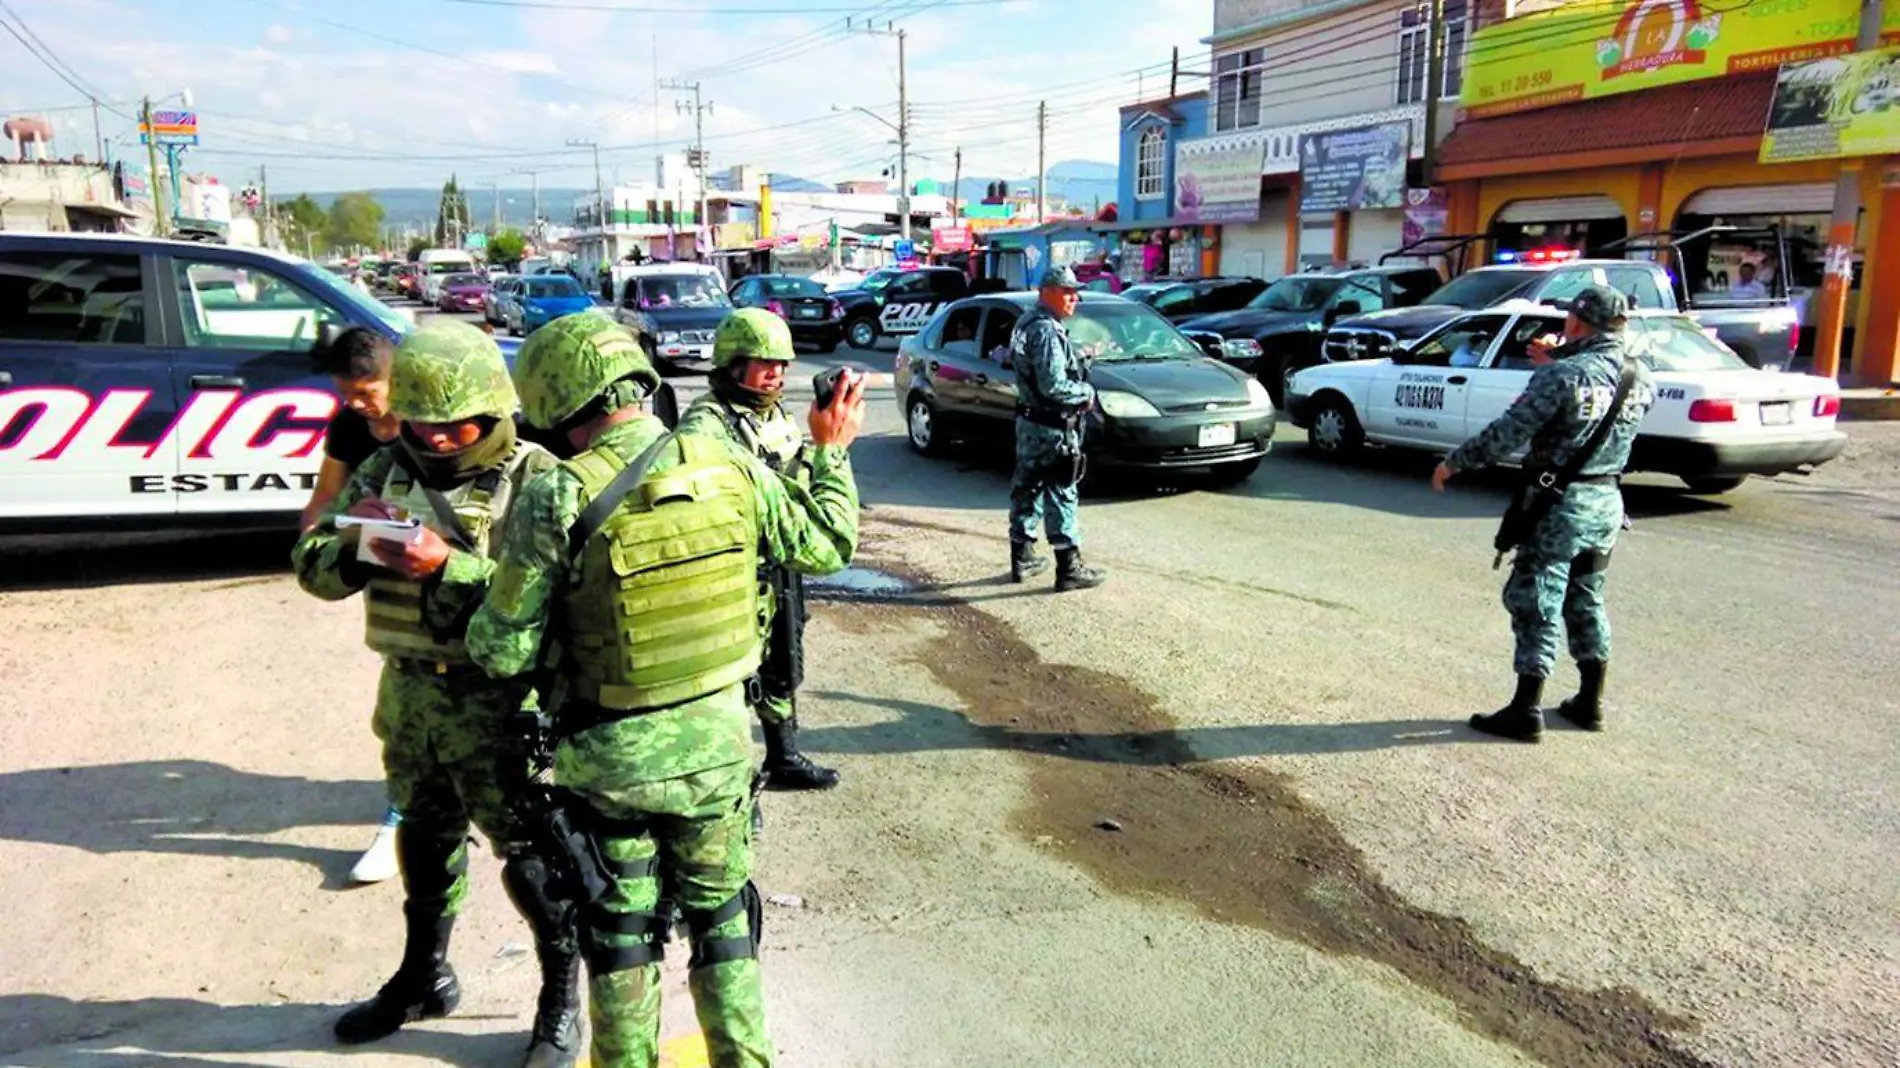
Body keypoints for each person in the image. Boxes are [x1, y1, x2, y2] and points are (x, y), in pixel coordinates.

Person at [465, 312, 864, 1068]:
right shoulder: (729, 463)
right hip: (716, 758)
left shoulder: (556, 494)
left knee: (620, 947)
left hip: (608, 769)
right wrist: (830, 451)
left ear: (553, 402)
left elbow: (502, 650)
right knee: (725, 928)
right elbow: (827, 544)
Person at [291, 320, 583, 1068]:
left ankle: (560, 1002)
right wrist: (360, 547)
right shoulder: (386, 467)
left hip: (503, 706)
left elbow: (560, 603)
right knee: (423, 838)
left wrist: (445, 565)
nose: (445, 440)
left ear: (494, 411)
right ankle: (425, 975)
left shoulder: (539, 477)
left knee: (534, 858)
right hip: (412, 697)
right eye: (429, 425)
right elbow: (313, 562)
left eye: (462, 426)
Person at [1431, 285, 1656, 742]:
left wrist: (1456, 462)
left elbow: (1509, 432)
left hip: (1558, 507)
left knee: (1537, 601)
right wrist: (1557, 365)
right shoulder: (1641, 376)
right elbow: (1596, 412)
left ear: (1576, 322)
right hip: (1606, 504)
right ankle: (1590, 702)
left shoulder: (1562, 377)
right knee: (1586, 597)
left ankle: (1525, 709)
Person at [675, 308, 840, 791]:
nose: (776, 373)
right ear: (732, 363)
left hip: (781, 562)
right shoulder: (708, 423)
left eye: (783, 364)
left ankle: (783, 755)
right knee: (730, 678)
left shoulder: (774, 413)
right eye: (764, 362)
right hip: (735, 572)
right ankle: (736, 785)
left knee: (783, 661)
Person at [301, 327, 406, 884]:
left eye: (367, 391)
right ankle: (402, 817)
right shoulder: (348, 425)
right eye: (347, 392)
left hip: (459, 568)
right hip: (391, 579)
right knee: (407, 705)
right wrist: (314, 538)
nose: (357, 404)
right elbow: (324, 496)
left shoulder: (433, 416)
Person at [1008, 264, 1105, 591]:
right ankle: (1069, 567)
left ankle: (1022, 557)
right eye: (1066, 291)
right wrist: (1086, 393)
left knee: (1027, 488)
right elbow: (1053, 386)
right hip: (1052, 427)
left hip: (1029, 422)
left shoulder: (1026, 322)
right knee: (1062, 492)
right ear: (1046, 291)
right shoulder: (1047, 330)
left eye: (1075, 291)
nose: (1073, 297)